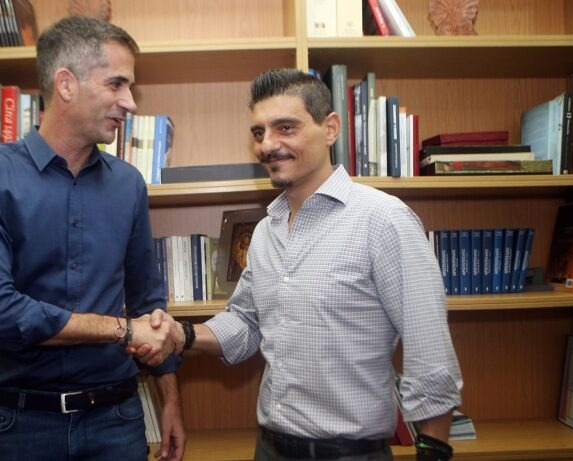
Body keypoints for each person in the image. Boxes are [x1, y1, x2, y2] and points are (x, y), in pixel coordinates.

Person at [135, 68, 463, 461]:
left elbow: (429, 349)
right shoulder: (265, 231)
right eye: (259, 132)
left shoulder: (384, 220)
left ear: (330, 128)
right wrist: (182, 334)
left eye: (285, 128)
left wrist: (433, 449)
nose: (267, 145)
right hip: (269, 449)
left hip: (351, 454)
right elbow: (246, 322)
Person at [0, 16, 185, 461]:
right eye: (116, 84)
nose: (130, 102)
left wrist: (170, 399)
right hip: (19, 426)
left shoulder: (129, 184)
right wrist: (121, 330)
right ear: (65, 84)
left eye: (130, 87)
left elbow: (147, 301)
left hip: (117, 419)